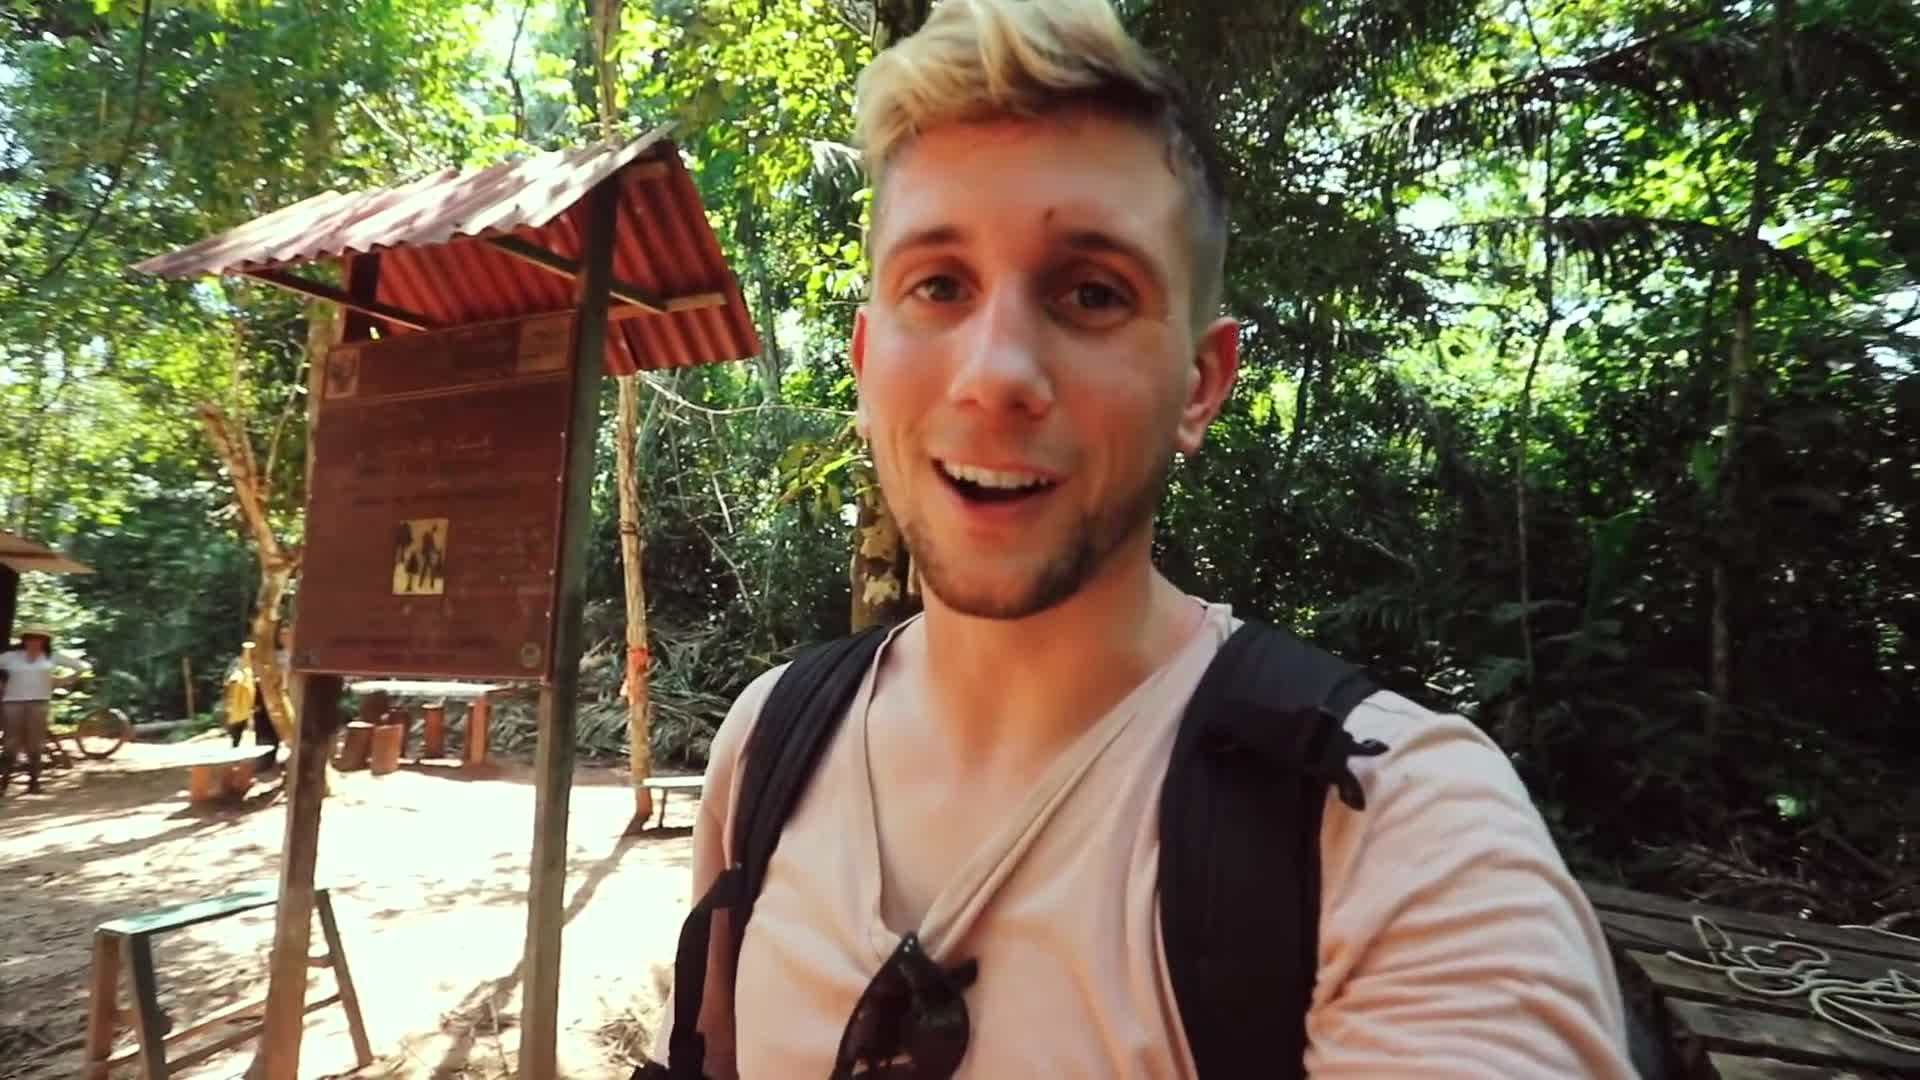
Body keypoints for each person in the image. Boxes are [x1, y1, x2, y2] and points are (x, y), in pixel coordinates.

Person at [652, 1, 1637, 1076]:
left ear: (1201, 384)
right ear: (865, 352)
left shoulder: (1394, 830)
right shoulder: (769, 745)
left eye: (1091, 292)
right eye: (938, 284)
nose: (996, 374)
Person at [0, 627, 92, 795]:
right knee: (10, 742)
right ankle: (4, 782)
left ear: (44, 641)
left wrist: (63, 680)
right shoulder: (11, 657)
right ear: (25, 640)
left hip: (39, 702)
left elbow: (82, 666)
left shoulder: (51, 657)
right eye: (31, 638)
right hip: (13, 703)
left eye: (39, 639)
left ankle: (34, 782)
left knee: (35, 743)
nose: (34, 642)